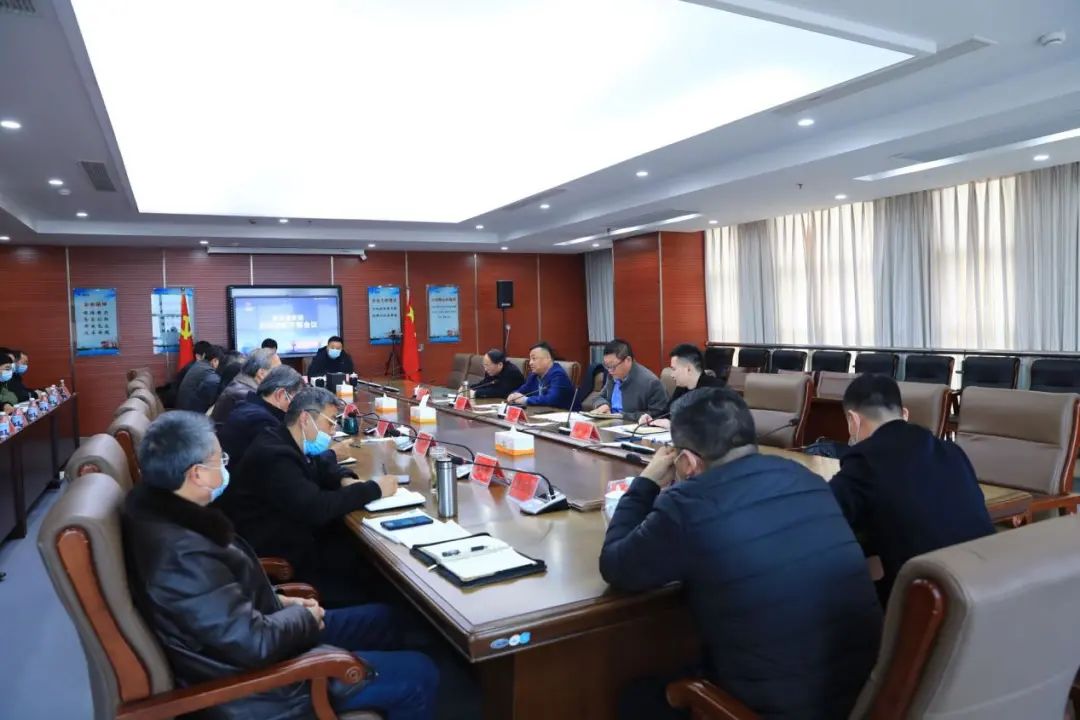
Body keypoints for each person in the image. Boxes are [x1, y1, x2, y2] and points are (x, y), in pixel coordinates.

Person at [122, 411, 438, 720]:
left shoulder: (171, 519)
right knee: (419, 673)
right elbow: (253, 643)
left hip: (263, 634)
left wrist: (281, 600)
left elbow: (222, 606)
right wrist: (302, 617)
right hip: (263, 691)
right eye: (221, 460)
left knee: (386, 619)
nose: (226, 467)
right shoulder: (182, 555)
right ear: (197, 474)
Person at [600, 387, 882, 720]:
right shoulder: (806, 478)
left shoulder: (687, 505)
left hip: (778, 709)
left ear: (687, 462)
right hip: (864, 697)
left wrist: (645, 482)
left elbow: (616, 565)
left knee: (635, 698)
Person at [830, 374, 995, 606]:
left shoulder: (865, 460)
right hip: (988, 592)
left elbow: (826, 515)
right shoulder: (952, 451)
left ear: (853, 420)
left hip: (928, 603)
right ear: (904, 414)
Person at [227, 387, 398, 607]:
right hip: (290, 560)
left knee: (369, 564)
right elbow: (317, 507)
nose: (333, 431)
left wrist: (344, 478)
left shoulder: (282, 439)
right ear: (305, 419)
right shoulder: (275, 455)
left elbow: (318, 466)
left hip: (300, 542)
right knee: (381, 582)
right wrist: (374, 489)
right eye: (330, 422)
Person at [217, 365, 304, 470]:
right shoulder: (264, 422)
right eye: (296, 399)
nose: (298, 407)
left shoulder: (247, 407)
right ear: (280, 394)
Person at [638, 344, 724, 427]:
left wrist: (674, 426)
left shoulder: (716, 390)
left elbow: (712, 426)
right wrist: (651, 419)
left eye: (674, 369)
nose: (672, 375)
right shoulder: (681, 388)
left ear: (688, 369)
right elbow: (666, 413)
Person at [585, 339, 668, 422]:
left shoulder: (651, 382)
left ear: (628, 360)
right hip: (610, 423)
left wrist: (622, 416)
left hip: (631, 425)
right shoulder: (612, 375)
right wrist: (602, 405)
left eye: (613, 366)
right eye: (606, 366)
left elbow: (658, 415)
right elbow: (600, 397)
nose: (609, 370)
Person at [210, 348, 280, 425]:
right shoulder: (245, 395)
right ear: (261, 373)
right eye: (278, 371)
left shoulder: (244, 382)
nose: (281, 375)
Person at [506, 342, 575, 409]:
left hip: (565, 414)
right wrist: (513, 395)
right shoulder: (533, 375)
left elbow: (551, 399)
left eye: (534, 358)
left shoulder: (558, 375)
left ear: (547, 359)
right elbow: (522, 390)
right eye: (530, 359)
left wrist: (525, 400)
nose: (530, 363)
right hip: (542, 412)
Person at [176, 344, 225, 413]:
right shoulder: (207, 371)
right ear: (215, 360)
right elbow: (218, 387)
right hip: (191, 414)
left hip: (184, 410)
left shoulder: (198, 365)